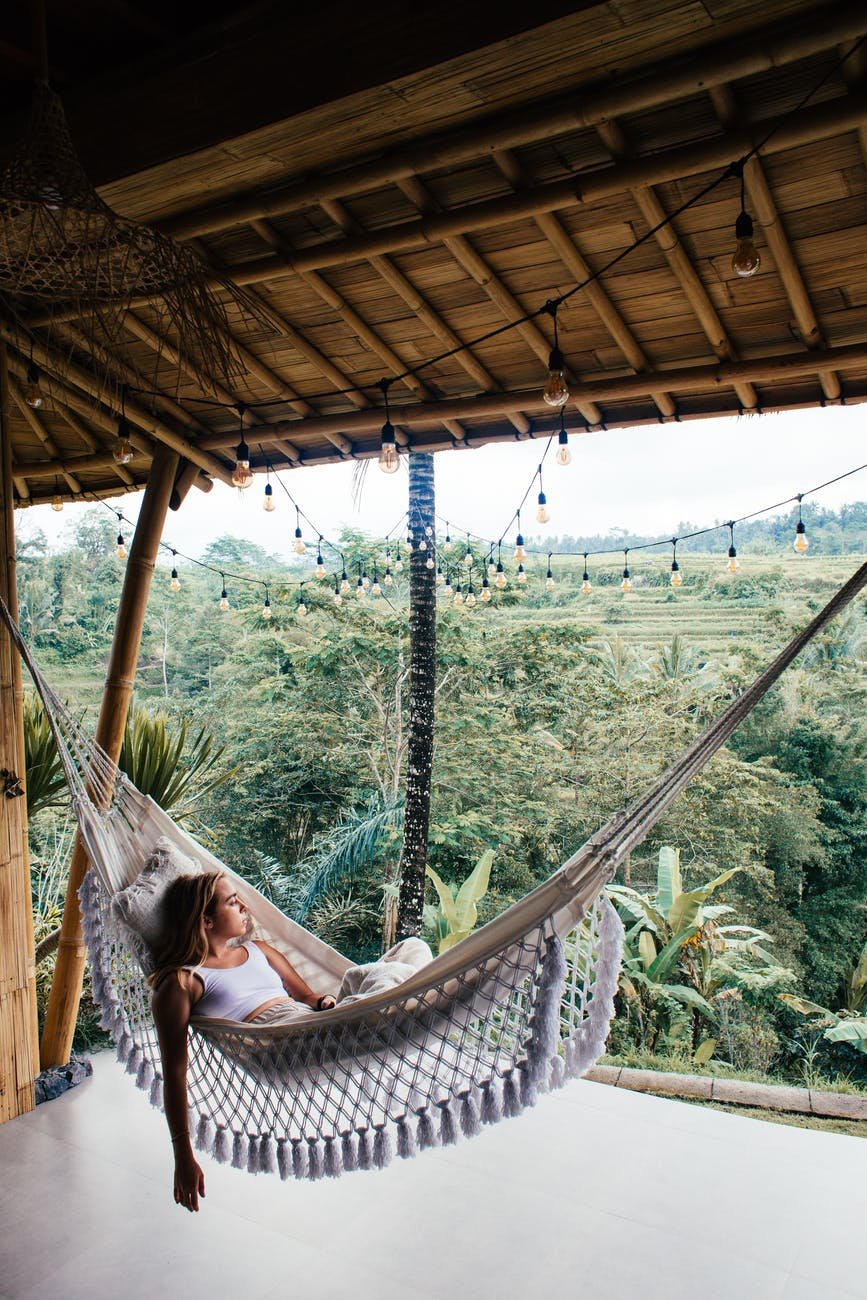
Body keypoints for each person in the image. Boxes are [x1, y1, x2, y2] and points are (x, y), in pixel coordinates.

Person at [149, 871, 337, 1213]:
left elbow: (308, 996)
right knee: (381, 1010)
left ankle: (404, 1004)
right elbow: (175, 1073)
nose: (244, 908)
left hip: (308, 1023)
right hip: (274, 1044)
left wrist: (323, 1003)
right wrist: (182, 1155)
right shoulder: (184, 981)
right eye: (232, 902)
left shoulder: (259, 949)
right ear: (206, 920)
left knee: (406, 953)